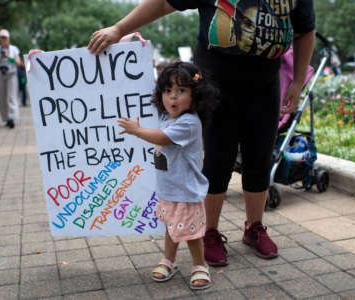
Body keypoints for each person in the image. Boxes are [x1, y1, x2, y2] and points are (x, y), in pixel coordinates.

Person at [88, 0, 315, 266]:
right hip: (215, 83)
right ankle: (209, 233)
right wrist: (118, 28)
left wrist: (298, 81)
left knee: (260, 156)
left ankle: (255, 228)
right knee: (218, 158)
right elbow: (163, 5)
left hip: (265, 83)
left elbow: (305, 30)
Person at [118, 62, 217, 290]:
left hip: (186, 191)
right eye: (167, 91)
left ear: (195, 95)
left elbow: (162, 139)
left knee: (191, 233)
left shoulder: (189, 123)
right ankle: (169, 260)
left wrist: (136, 130)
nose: (173, 97)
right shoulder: (167, 118)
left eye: (181, 91)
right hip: (169, 190)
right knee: (171, 227)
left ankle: (199, 264)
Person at [0, 29, 21, 129]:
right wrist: (0, 58)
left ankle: (12, 118)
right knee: (2, 98)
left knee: (11, 97)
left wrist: (8, 56)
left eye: (5, 38)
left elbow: (18, 63)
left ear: (8, 38)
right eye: (1, 38)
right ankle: (6, 118)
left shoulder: (14, 49)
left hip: (11, 74)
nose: (3, 40)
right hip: (0, 75)